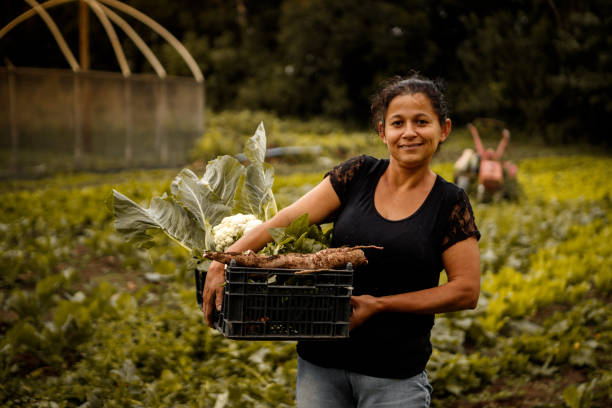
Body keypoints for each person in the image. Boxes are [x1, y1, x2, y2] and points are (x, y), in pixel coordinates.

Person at [203, 74, 481, 408]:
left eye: (421, 122)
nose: (409, 132)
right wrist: (225, 259)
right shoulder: (358, 175)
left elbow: (466, 290)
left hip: (395, 376)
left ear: (444, 129)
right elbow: (288, 220)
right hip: (320, 367)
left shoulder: (450, 202)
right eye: (398, 123)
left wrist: (380, 305)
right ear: (383, 132)